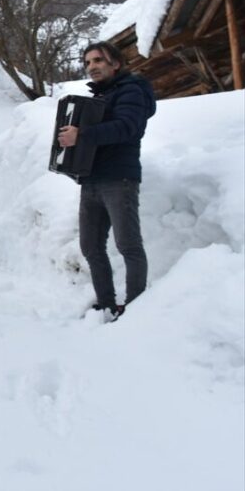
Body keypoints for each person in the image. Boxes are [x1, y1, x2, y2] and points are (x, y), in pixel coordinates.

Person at [58, 41, 156, 321]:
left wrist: (82, 135)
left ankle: (137, 307)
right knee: (90, 246)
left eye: (98, 60)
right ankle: (106, 303)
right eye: (88, 62)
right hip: (91, 180)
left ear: (115, 64)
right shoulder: (99, 98)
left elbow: (128, 127)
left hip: (119, 179)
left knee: (128, 245)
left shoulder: (132, 90)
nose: (92, 67)